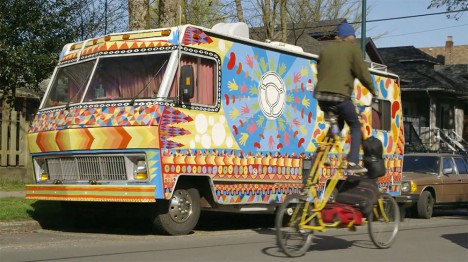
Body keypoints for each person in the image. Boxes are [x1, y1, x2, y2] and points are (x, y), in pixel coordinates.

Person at [314, 22, 378, 173]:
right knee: (355, 125)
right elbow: (362, 72)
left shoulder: (325, 49)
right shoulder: (352, 50)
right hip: (340, 97)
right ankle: (353, 162)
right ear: (349, 37)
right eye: (353, 37)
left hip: (322, 98)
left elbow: (319, 69)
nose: (354, 40)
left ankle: (321, 154)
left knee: (338, 125)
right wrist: (373, 90)